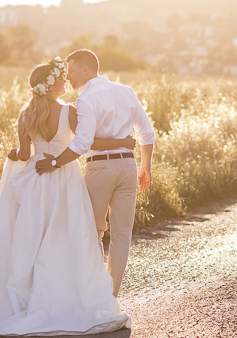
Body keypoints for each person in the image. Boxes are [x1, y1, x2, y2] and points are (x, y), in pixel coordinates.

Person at [0, 57, 132, 336]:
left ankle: (25, 295)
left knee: (32, 236)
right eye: (60, 78)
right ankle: (64, 292)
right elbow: (84, 142)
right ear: (51, 85)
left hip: (36, 179)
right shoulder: (69, 112)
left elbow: (23, 155)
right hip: (64, 179)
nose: (65, 81)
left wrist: (15, 154)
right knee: (64, 235)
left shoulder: (25, 115)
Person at [35, 49, 155, 297]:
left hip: (100, 168)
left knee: (92, 231)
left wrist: (55, 163)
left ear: (85, 70)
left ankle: (95, 295)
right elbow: (147, 132)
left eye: (70, 70)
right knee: (122, 234)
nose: (66, 77)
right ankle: (110, 296)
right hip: (128, 167)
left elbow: (82, 143)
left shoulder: (86, 99)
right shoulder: (126, 91)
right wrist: (146, 167)